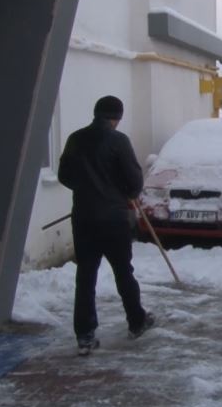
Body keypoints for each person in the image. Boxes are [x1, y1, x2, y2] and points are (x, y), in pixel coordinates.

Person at [57, 95, 155, 356]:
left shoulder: (76, 139)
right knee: (123, 271)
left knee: (86, 276)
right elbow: (134, 182)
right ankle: (136, 321)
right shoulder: (118, 141)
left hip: (84, 218)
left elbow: (64, 175)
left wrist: (87, 189)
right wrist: (119, 191)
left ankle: (85, 335)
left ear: (96, 113)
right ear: (117, 117)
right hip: (114, 218)